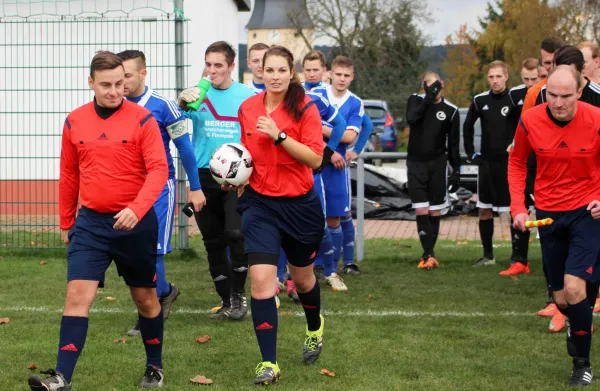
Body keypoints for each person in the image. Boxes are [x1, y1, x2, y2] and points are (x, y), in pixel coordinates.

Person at [28, 51, 169, 390]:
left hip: (135, 224)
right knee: (77, 296)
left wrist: (136, 208)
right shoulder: (74, 121)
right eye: (106, 85)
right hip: (90, 224)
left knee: (145, 299)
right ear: (90, 83)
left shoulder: (143, 119)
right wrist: (66, 222)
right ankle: (61, 378)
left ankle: (154, 366)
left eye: (120, 83)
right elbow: (68, 174)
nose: (114, 91)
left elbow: (159, 170)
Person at [235, 45, 327, 385]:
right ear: (260, 72)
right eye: (268, 70)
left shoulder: (306, 108)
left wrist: (280, 135)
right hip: (259, 204)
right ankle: (268, 363)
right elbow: (244, 152)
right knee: (260, 281)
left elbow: (315, 159)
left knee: (303, 280)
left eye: (281, 71)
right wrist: (235, 177)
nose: (274, 76)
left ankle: (315, 327)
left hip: (299, 206)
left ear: (292, 73)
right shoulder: (247, 108)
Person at [509, 65, 600, 387]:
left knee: (575, 289)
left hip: (587, 212)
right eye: (552, 96)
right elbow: (517, 162)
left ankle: (582, 363)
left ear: (578, 92)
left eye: (565, 96)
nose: (558, 103)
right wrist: (518, 208)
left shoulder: (596, 118)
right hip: (548, 214)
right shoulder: (531, 119)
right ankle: (581, 314)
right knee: (562, 298)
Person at [117, 49, 206, 336]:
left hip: (158, 187)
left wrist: (196, 187)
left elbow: (186, 150)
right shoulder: (113, 104)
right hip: (125, 189)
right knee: (131, 252)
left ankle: (148, 313)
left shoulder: (164, 106)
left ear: (144, 73)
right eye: (119, 77)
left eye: (127, 76)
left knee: (151, 250)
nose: (122, 82)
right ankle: (165, 291)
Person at [177, 41, 255, 321]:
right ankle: (226, 301)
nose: (212, 70)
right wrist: (181, 103)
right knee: (213, 241)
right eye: (208, 64)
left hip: (238, 177)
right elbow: (173, 122)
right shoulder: (197, 95)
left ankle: (238, 294)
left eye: (218, 65)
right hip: (202, 175)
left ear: (231, 66)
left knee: (236, 234)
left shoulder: (248, 96)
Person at [529, 45, 600, 332]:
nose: (558, 101)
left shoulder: (595, 100)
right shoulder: (537, 97)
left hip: (589, 199)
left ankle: (581, 311)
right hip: (551, 197)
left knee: (582, 272)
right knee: (560, 273)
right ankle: (566, 307)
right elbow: (526, 139)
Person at [406, 71, 460, 270]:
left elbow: (454, 143)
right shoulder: (415, 101)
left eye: (435, 84)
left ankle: (429, 253)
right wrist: (428, 98)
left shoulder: (451, 111)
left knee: (434, 210)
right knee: (421, 208)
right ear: (423, 85)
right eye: (428, 84)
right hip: (415, 163)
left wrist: (457, 170)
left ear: (442, 84)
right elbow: (412, 119)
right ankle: (428, 254)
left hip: (438, 163)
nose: (433, 87)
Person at [463, 60, 513, 267]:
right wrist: (471, 154)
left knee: (513, 211)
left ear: (506, 77)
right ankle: (488, 256)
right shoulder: (479, 100)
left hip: (510, 165)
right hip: (487, 165)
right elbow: (467, 127)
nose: (495, 81)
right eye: (491, 77)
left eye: (498, 76)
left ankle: (518, 258)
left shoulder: (515, 99)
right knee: (484, 210)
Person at [322, 55, 365, 278]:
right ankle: (315, 266)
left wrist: (323, 128)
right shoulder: (318, 95)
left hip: (338, 168)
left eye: (346, 75)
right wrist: (330, 144)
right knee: (311, 216)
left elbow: (349, 137)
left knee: (335, 218)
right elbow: (305, 128)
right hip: (314, 160)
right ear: (330, 73)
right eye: (338, 74)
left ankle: (333, 269)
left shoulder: (356, 102)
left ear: (352, 77)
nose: (341, 79)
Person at [498, 58, 540, 277]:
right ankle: (519, 259)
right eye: (526, 79)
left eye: (534, 79)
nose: (530, 83)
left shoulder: (547, 92)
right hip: (522, 159)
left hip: (542, 158)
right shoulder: (514, 96)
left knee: (543, 206)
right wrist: (510, 144)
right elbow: (508, 126)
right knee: (518, 207)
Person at [521, 37, 566, 114]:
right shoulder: (534, 93)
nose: (552, 66)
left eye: (556, 61)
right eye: (547, 63)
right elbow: (525, 124)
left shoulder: (582, 86)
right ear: (542, 62)